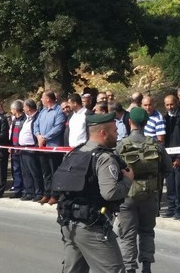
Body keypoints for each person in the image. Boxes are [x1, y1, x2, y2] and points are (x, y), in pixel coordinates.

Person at [55, 112, 133, 273]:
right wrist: (128, 180)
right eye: (114, 130)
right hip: (92, 227)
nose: (117, 133)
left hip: (69, 223)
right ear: (103, 133)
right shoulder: (104, 158)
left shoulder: (74, 153)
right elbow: (110, 193)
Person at [116, 108, 171, 273]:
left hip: (127, 195)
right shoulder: (155, 145)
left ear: (129, 121)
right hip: (150, 194)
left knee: (127, 235)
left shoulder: (121, 146)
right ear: (146, 123)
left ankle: (130, 268)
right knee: (147, 231)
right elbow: (168, 169)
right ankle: (146, 267)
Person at [34, 91, 66, 205]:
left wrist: (45, 138)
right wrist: (38, 135)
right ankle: (47, 193)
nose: (41, 100)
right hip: (42, 147)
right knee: (46, 172)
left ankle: (55, 195)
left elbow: (58, 127)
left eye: (42, 98)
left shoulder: (59, 112)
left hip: (53, 147)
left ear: (48, 99)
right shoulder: (42, 112)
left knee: (54, 172)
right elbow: (35, 124)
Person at [162, 94, 180, 219]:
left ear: (177, 103)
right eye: (167, 105)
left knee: (179, 184)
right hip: (167, 156)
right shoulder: (164, 118)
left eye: (172, 104)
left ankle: (179, 209)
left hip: (179, 156)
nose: (170, 107)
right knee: (170, 184)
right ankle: (171, 208)